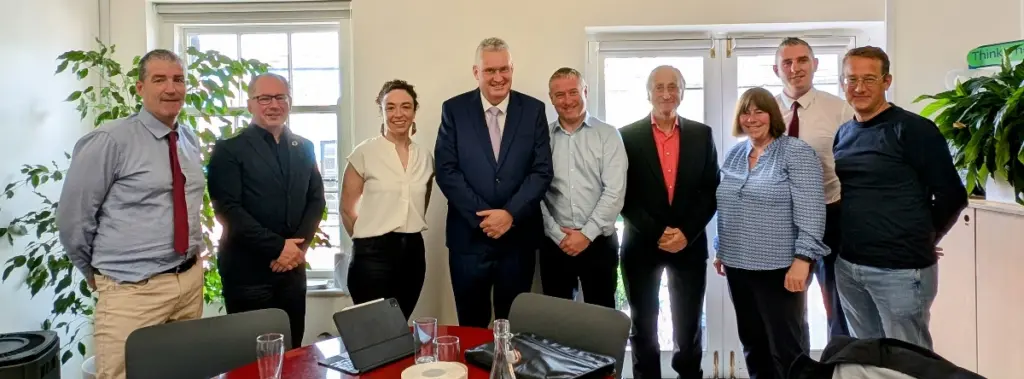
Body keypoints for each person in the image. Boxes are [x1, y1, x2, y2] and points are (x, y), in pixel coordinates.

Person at [56, 49, 205, 379]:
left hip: (189, 283)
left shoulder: (188, 139)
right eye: (159, 79)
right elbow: (73, 219)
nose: (171, 88)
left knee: (183, 372)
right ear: (139, 88)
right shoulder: (110, 140)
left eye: (178, 79)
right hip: (132, 291)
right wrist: (94, 272)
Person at [832, 46, 968, 349]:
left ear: (887, 81)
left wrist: (925, 235)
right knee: (868, 358)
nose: (859, 87)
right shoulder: (844, 134)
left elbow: (952, 194)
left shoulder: (914, 129)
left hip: (901, 272)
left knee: (909, 361)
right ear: (842, 83)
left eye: (869, 79)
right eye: (851, 79)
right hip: (850, 268)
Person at [434, 37, 553, 328]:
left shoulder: (534, 110)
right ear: (476, 72)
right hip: (468, 240)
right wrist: (485, 218)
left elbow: (541, 171)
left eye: (505, 69)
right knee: (471, 327)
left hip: (518, 241)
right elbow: (446, 171)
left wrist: (509, 214)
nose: (499, 77)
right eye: (490, 71)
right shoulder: (454, 110)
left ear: (512, 69)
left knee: (513, 330)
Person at [713, 87, 829, 379]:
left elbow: (813, 210)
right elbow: (727, 206)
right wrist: (720, 248)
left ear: (772, 115)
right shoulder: (736, 153)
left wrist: (803, 259)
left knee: (788, 348)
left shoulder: (796, 152)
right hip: (737, 266)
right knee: (753, 343)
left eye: (759, 111)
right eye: (745, 111)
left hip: (780, 268)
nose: (752, 118)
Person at [208, 72, 327, 349]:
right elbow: (228, 210)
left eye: (280, 97)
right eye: (264, 98)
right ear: (250, 104)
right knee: (250, 359)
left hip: (292, 272)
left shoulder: (305, 147)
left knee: (293, 352)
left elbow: (316, 201)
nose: (273, 105)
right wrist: (277, 248)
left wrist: (297, 250)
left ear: (289, 102)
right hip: (247, 274)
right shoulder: (229, 150)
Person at [619, 65, 719, 379]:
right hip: (642, 244)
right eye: (659, 87)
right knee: (643, 325)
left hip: (688, 245)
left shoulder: (702, 134)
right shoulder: (626, 136)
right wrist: (658, 232)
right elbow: (623, 195)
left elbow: (710, 189)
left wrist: (686, 233)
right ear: (648, 92)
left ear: (682, 91)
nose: (666, 94)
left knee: (688, 325)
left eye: (673, 86)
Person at [773, 37, 855, 339]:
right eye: (787, 62)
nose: (795, 68)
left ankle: (838, 369)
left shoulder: (841, 110)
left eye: (802, 60)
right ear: (776, 69)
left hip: (832, 216)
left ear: (815, 64)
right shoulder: (763, 113)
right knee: (789, 311)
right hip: (784, 222)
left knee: (838, 306)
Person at [342, 79, 434, 319]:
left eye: (405, 106)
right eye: (390, 107)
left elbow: (422, 202)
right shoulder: (364, 153)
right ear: (381, 111)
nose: (398, 114)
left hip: (413, 253)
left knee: (400, 327)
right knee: (374, 331)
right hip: (372, 255)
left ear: (414, 111)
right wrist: (368, 240)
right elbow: (347, 209)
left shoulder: (424, 156)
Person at [538, 67, 627, 309]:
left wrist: (586, 234)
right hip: (555, 244)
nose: (567, 101)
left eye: (573, 92)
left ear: (585, 91)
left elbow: (615, 192)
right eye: (559, 95)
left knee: (601, 321)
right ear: (551, 98)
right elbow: (535, 192)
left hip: (599, 243)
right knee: (557, 325)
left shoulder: (608, 135)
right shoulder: (541, 137)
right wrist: (557, 234)